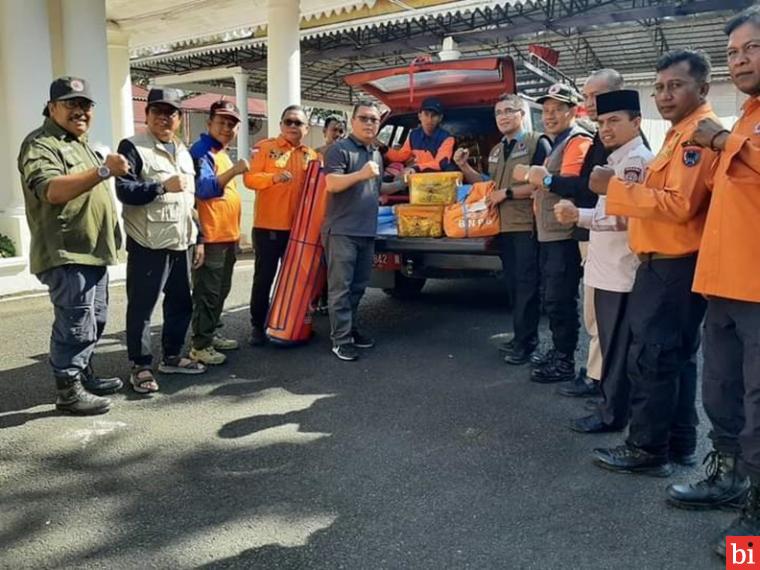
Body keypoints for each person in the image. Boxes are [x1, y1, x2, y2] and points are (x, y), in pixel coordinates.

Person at [589, 49, 717, 476]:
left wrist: (612, 189)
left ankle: (647, 449)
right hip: (667, 261)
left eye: (675, 85)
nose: (664, 94)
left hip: (671, 262)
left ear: (702, 88)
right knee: (675, 357)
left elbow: (679, 205)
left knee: (652, 358)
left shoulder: (696, 138)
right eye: (659, 87)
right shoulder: (680, 134)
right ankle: (679, 442)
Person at [665, 6, 760, 556]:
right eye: (732, 52)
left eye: (751, 48)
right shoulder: (746, 114)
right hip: (723, 283)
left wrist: (723, 142)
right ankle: (729, 477)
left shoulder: (731, 130)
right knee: (721, 392)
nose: (740, 60)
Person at [17, 76, 127, 415]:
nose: (79, 111)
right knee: (75, 321)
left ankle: (83, 373)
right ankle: (68, 390)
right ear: (52, 108)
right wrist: (104, 171)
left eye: (85, 105)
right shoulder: (41, 144)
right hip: (67, 252)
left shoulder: (81, 143)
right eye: (70, 104)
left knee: (95, 318)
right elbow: (52, 190)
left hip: (93, 250)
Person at [554, 89, 653, 434]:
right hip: (606, 267)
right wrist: (580, 214)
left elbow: (627, 217)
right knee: (610, 346)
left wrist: (577, 216)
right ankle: (610, 407)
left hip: (621, 271)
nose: (605, 128)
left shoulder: (636, 161)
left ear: (636, 122)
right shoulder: (615, 160)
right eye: (601, 122)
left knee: (618, 349)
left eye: (614, 121)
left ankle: (613, 415)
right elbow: (608, 211)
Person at [116, 88, 207, 394]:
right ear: (147, 115)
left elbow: (190, 202)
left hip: (181, 243)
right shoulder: (133, 147)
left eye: (170, 112)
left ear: (179, 119)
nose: (164, 118)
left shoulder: (182, 150)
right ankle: (140, 366)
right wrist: (159, 187)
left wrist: (200, 238)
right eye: (158, 111)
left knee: (181, 303)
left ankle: (172, 356)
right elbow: (124, 190)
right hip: (148, 244)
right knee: (142, 307)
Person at [454, 93, 551, 364]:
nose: (503, 116)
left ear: (522, 115)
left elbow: (543, 185)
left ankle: (527, 345)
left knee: (527, 286)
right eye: (498, 113)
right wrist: (464, 167)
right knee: (513, 285)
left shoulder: (537, 143)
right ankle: (519, 337)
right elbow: (487, 185)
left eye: (509, 110)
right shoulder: (497, 150)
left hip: (526, 226)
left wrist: (507, 193)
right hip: (502, 227)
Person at [552, 69, 625, 399]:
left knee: (603, 314)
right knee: (594, 312)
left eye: (594, 95)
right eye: (586, 96)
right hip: (592, 231)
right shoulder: (600, 137)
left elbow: (591, 189)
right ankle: (598, 375)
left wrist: (548, 181)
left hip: (609, 237)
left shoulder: (616, 143)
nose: (589, 103)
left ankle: (601, 381)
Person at [514, 83, 593, 384]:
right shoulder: (559, 141)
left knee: (560, 299)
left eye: (557, 109)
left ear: (572, 111)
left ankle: (564, 360)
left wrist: (539, 177)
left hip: (562, 233)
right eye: (546, 110)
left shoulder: (577, 141)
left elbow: (569, 182)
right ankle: (560, 351)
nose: (549, 115)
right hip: (548, 232)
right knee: (553, 298)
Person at [323, 101, 404, 361]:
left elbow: (379, 187)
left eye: (374, 119)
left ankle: (350, 329)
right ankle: (341, 340)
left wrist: (405, 182)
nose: (369, 123)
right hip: (342, 231)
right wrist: (360, 174)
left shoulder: (375, 152)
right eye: (364, 118)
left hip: (367, 232)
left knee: (358, 287)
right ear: (352, 121)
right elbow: (332, 184)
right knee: (340, 289)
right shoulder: (339, 149)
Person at [243, 105, 318, 345]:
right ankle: (258, 325)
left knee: (297, 280)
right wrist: (272, 178)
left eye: (298, 123)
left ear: (306, 128)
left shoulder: (312, 155)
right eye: (289, 122)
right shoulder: (266, 148)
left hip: (300, 231)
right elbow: (249, 179)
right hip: (269, 228)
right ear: (281, 125)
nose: (293, 126)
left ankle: (291, 323)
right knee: (264, 277)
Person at [188, 100, 249, 365]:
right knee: (207, 293)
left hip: (227, 236)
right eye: (222, 122)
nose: (227, 127)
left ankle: (210, 335)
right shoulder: (202, 151)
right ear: (209, 123)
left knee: (220, 291)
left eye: (232, 123)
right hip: (211, 237)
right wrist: (235, 171)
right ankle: (200, 345)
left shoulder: (220, 152)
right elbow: (204, 189)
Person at [383, 97, 456, 174]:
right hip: (419, 178)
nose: (429, 119)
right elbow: (401, 156)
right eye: (426, 114)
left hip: (440, 180)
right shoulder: (413, 135)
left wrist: (415, 168)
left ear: (440, 118)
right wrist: (383, 148)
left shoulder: (447, 138)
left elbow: (440, 163)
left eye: (434, 115)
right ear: (420, 116)